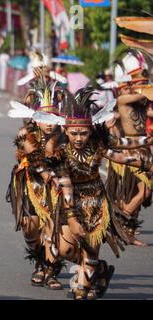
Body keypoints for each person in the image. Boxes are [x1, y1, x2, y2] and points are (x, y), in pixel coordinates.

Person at [46, 87, 153, 300]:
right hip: (70, 204)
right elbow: (66, 186)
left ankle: (83, 286)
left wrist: (145, 161)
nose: (79, 138)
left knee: (90, 250)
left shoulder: (97, 146)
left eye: (84, 133)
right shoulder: (60, 153)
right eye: (74, 133)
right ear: (66, 131)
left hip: (96, 202)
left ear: (91, 131)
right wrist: (72, 218)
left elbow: (121, 153)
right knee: (63, 250)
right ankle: (99, 269)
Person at [7, 75, 66, 290]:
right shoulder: (26, 134)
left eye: (53, 118)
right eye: (44, 118)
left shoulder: (66, 134)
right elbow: (36, 160)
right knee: (30, 228)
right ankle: (40, 260)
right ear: (35, 118)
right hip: (31, 185)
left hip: (57, 187)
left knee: (54, 230)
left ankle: (51, 270)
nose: (49, 124)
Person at [105, 49, 153, 246]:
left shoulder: (142, 103)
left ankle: (127, 232)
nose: (127, 90)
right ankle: (119, 217)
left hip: (144, 148)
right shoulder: (124, 100)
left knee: (138, 193)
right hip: (130, 150)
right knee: (145, 191)